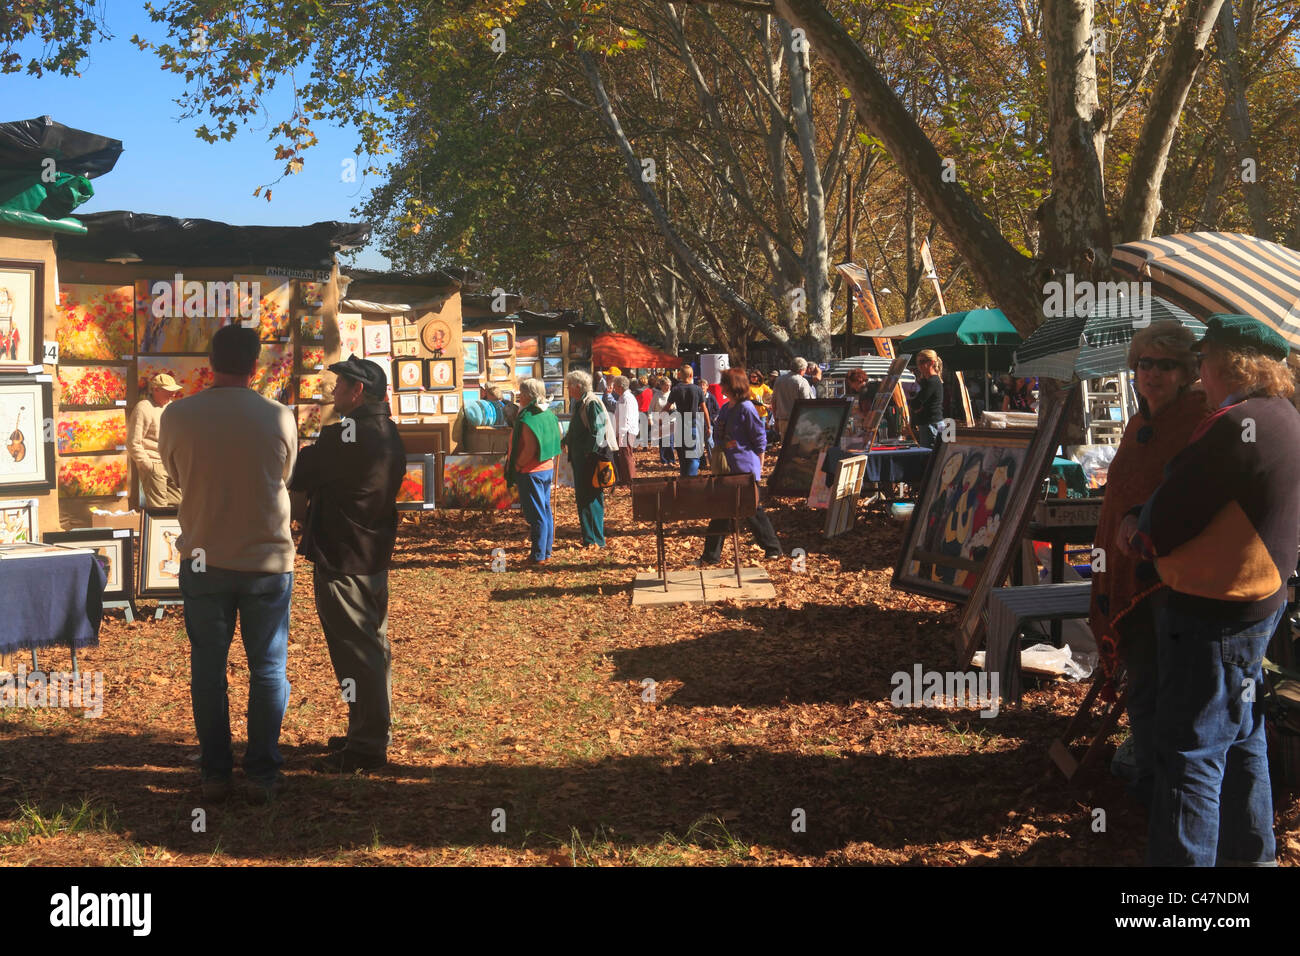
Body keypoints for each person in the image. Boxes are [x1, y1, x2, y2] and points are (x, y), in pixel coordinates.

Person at [1128, 314, 1300, 867]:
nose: (1199, 374)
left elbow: (1166, 521)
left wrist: (1136, 527)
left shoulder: (1233, 425)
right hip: (1256, 606)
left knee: (1190, 754)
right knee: (1243, 735)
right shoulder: (1283, 416)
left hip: (1214, 610)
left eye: (1201, 361)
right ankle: (1254, 862)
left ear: (1227, 362)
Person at [159, 325, 298, 804]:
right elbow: (285, 476)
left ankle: (215, 772)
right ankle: (262, 772)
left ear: (210, 363)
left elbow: (175, 475)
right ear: (255, 366)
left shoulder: (177, 414)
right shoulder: (280, 416)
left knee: (208, 667)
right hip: (267, 558)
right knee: (268, 668)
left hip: (204, 556)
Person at [1088, 321, 1209, 806]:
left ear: (1186, 372)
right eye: (1144, 364)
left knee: (1166, 688)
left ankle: (1165, 797)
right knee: (1142, 684)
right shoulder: (1140, 423)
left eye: (1166, 365)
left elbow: (1191, 495)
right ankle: (1148, 786)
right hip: (1124, 577)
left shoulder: (1199, 421)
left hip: (1168, 580)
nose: (1152, 373)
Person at [289, 356, 406, 773]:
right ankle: (368, 731)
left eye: (339, 385)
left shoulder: (347, 435)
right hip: (371, 554)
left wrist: (307, 452)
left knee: (358, 652)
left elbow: (300, 473)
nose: (333, 391)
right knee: (374, 647)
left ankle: (367, 745)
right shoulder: (387, 430)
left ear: (358, 391)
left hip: (344, 556)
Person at [699, 368, 783, 563]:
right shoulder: (727, 408)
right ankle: (711, 556)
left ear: (733, 385)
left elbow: (759, 439)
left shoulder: (746, 408)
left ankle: (773, 548)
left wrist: (759, 466)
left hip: (744, 468)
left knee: (752, 510)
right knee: (722, 511)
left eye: (724, 383)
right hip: (726, 468)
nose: (720, 386)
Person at [506, 378, 563, 564]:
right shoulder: (547, 413)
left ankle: (538, 555)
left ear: (528, 396)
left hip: (531, 470)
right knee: (544, 510)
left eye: (521, 394)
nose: (519, 397)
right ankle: (545, 552)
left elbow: (529, 448)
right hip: (545, 468)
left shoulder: (529, 417)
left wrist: (518, 465)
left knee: (537, 514)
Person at [561, 370, 609, 547]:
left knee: (591, 498)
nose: (568, 389)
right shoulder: (580, 403)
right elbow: (576, 429)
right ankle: (589, 537)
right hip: (581, 459)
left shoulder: (591, 403)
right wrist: (566, 440)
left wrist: (589, 454)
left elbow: (599, 431)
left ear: (578, 386)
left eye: (569, 386)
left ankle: (595, 539)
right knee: (584, 498)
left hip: (589, 460)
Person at [128, 372, 184, 508]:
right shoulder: (143, 407)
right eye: (169, 391)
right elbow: (133, 442)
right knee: (159, 508)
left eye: (174, 391)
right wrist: (148, 465)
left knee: (180, 504)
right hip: (154, 463)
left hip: (171, 465)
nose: (173, 395)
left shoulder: (170, 407)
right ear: (156, 390)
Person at [666, 364, 710, 477]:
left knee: (682, 457)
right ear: (691, 375)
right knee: (693, 457)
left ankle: (684, 479)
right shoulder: (697, 390)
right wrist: (709, 426)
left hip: (680, 425)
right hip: (693, 424)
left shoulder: (676, 389)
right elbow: (704, 410)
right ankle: (690, 482)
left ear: (680, 375)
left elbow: (666, 407)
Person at [909, 349, 945, 447]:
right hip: (932, 423)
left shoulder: (932, 382)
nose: (919, 365)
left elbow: (916, 403)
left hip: (931, 424)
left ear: (931, 362)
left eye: (922, 362)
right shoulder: (928, 381)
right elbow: (916, 404)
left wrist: (916, 406)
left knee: (929, 457)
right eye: (917, 362)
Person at [772, 357, 815, 441]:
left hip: (782, 421)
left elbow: (774, 402)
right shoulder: (802, 382)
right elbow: (807, 404)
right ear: (802, 369)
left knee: (785, 449)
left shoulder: (779, 380)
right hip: (798, 422)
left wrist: (776, 420)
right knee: (799, 450)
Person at [650, 376, 675, 466]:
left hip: (671, 420)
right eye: (666, 385)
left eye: (669, 385)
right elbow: (651, 408)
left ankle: (671, 460)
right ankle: (664, 460)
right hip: (660, 420)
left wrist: (673, 408)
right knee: (663, 441)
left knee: (670, 441)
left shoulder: (672, 394)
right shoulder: (657, 395)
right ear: (661, 386)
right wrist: (651, 418)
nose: (668, 387)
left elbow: (677, 407)